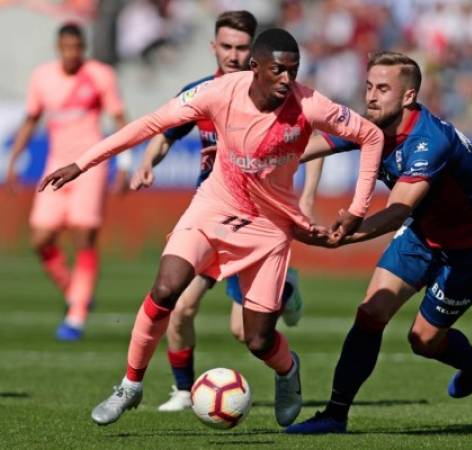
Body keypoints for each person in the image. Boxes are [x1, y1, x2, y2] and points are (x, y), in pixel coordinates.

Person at [39, 28, 384, 427]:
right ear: (255, 68)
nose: (288, 80)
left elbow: (370, 135)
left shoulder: (309, 104)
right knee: (166, 290)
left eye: (294, 71)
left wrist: (358, 209)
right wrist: (83, 163)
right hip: (213, 208)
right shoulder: (218, 93)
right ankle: (130, 385)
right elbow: (149, 124)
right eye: (278, 71)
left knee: (257, 339)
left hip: (269, 228)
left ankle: (288, 370)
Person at [286, 51, 472, 434]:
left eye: (383, 89)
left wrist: (347, 235)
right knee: (370, 313)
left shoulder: (428, 142)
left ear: (408, 97)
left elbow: (397, 211)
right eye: (369, 86)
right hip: (424, 233)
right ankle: (335, 415)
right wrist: (258, 162)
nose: (371, 96)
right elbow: (307, 148)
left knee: (422, 340)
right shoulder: (370, 124)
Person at [128, 10, 320, 412]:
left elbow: (315, 141)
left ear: (255, 54)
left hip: (257, 223)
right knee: (178, 305)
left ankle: (285, 291)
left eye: (241, 47)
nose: (233, 55)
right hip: (212, 216)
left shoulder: (279, 98)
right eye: (226, 46)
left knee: (243, 332)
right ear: (213, 47)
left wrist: (305, 201)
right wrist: (148, 162)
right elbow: (165, 133)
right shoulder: (203, 92)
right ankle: (183, 390)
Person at [6, 23, 129, 341]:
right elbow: (32, 119)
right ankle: (76, 291)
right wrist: (14, 159)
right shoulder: (43, 77)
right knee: (40, 239)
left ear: (83, 48)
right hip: (55, 166)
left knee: (84, 235)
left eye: (77, 48)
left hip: (89, 166)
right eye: (66, 48)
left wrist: (125, 164)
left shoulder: (100, 75)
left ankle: (75, 316)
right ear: (59, 47)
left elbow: (118, 120)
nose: (72, 54)